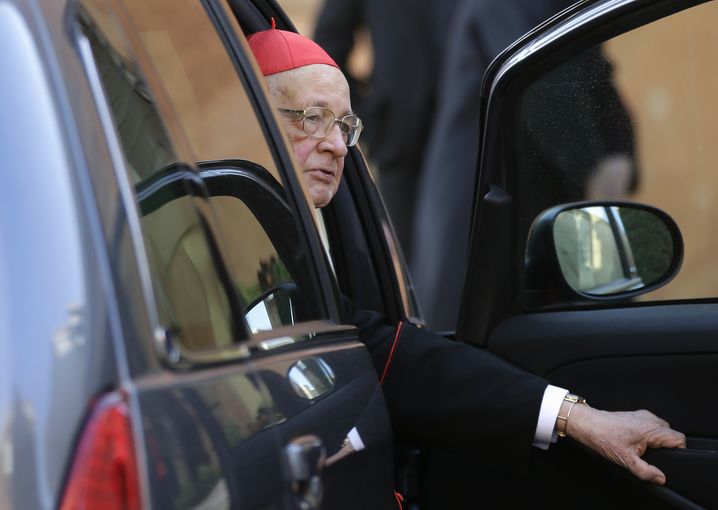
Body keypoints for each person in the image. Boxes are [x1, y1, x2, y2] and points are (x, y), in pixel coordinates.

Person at [246, 26, 684, 495]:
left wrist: (577, 418)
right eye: (313, 118)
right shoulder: (222, 232)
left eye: (345, 125)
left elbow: (391, 356)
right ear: (256, 122)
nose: (337, 144)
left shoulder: (287, 238)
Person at [412, 0, 639, 332]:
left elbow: (596, 74)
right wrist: (595, 167)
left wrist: (620, 151)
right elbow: (541, 83)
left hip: (531, 205)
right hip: (484, 204)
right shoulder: (505, 6)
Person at [313, 0, 458, 254]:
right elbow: (327, 47)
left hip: (475, 136)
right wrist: (370, 118)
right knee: (421, 273)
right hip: (403, 153)